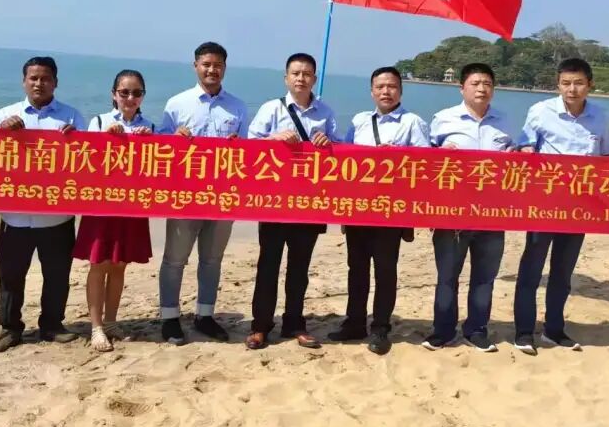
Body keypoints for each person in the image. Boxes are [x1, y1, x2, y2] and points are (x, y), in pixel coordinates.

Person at [512, 58, 609, 355]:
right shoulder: (540, 111)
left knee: (563, 271)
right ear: (558, 85)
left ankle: (554, 330)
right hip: (544, 203)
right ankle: (524, 332)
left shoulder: (600, 116)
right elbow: (525, 146)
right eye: (565, 83)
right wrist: (525, 151)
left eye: (578, 83)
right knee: (531, 269)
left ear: (590, 85)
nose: (571, 89)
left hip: (580, 205)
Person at [0, 56, 86, 353]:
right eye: (33, 78)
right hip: (15, 217)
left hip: (57, 217)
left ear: (55, 82)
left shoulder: (71, 116)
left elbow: (88, 159)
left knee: (57, 275)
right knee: (11, 276)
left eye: (45, 78)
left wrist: (76, 140)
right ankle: (10, 328)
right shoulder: (6, 114)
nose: (39, 83)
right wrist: (1, 130)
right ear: (24, 82)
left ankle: (52, 325)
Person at [329, 66, 430, 356]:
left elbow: (425, 164)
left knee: (385, 270)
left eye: (392, 86)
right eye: (380, 87)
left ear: (400, 90)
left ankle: (381, 327)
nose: (386, 91)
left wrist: (398, 156)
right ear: (372, 91)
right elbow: (344, 160)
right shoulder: (360, 121)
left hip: (391, 210)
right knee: (356, 268)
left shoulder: (413, 122)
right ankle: (354, 322)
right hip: (359, 208)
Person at [245, 53, 338, 351]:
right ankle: (260, 325)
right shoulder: (271, 108)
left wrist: (328, 144)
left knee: (300, 267)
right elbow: (249, 147)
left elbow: (340, 154)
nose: (301, 78)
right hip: (274, 200)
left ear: (314, 78)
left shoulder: (325, 112)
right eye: (296, 73)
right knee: (268, 265)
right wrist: (272, 139)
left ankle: (295, 323)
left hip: (309, 202)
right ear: (286, 78)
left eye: (307, 73)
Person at [158, 42, 248, 345]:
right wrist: (173, 138)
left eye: (218, 65)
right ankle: (169, 317)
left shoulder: (237, 107)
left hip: (223, 196)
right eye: (206, 64)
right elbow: (157, 149)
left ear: (225, 68)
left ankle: (205, 315)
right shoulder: (177, 104)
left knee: (212, 260)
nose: (212, 70)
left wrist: (239, 145)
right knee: (175, 259)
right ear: (195, 66)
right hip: (185, 195)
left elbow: (250, 153)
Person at [425, 63, 515, 353]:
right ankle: (442, 331)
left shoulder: (504, 122)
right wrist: (438, 154)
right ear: (461, 87)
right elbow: (422, 163)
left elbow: (518, 163)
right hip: (451, 213)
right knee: (447, 277)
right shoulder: (443, 120)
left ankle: (476, 330)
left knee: (484, 278)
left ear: (493, 89)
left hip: (492, 213)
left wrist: (517, 154)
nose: (481, 88)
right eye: (475, 83)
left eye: (487, 83)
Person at [77, 69, 155, 352]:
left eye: (136, 93)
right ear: (114, 94)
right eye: (124, 92)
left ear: (143, 96)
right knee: (98, 263)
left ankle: (111, 321)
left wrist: (151, 142)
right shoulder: (98, 122)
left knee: (120, 264)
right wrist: (106, 139)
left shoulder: (151, 127)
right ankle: (96, 326)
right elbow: (85, 161)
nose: (130, 98)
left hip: (132, 205)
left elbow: (159, 168)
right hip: (101, 204)